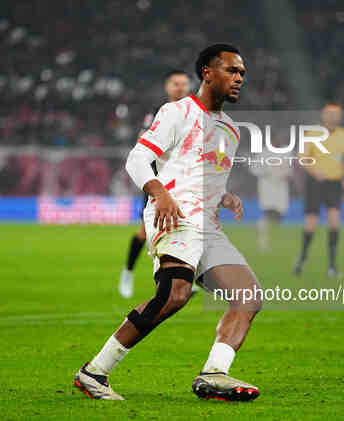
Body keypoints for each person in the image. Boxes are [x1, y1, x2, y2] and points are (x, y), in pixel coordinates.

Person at [74, 44, 262, 401]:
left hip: (207, 223)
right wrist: (159, 193)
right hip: (173, 212)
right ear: (207, 73)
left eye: (242, 73)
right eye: (231, 70)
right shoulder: (177, 112)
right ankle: (94, 372)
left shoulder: (232, 131)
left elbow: (206, 176)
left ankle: (214, 374)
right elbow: (138, 159)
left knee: (248, 296)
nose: (239, 78)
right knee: (174, 294)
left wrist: (223, 196)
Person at [119, 70, 192, 299]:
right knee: (146, 233)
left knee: (189, 229)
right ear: (167, 87)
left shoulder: (195, 114)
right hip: (158, 183)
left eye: (183, 83)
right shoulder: (158, 114)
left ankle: (187, 277)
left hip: (185, 183)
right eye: (175, 83)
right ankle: (128, 272)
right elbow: (143, 143)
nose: (180, 87)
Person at [294, 103, 344, 278]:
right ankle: (302, 259)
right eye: (330, 114)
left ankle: (332, 266)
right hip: (315, 183)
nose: (333, 117)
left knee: (334, 222)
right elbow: (302, 158)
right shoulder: (313, 133)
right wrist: (315, 172)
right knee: (311, 223)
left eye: (336, 114)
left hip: (334, 184)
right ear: (323, 116)